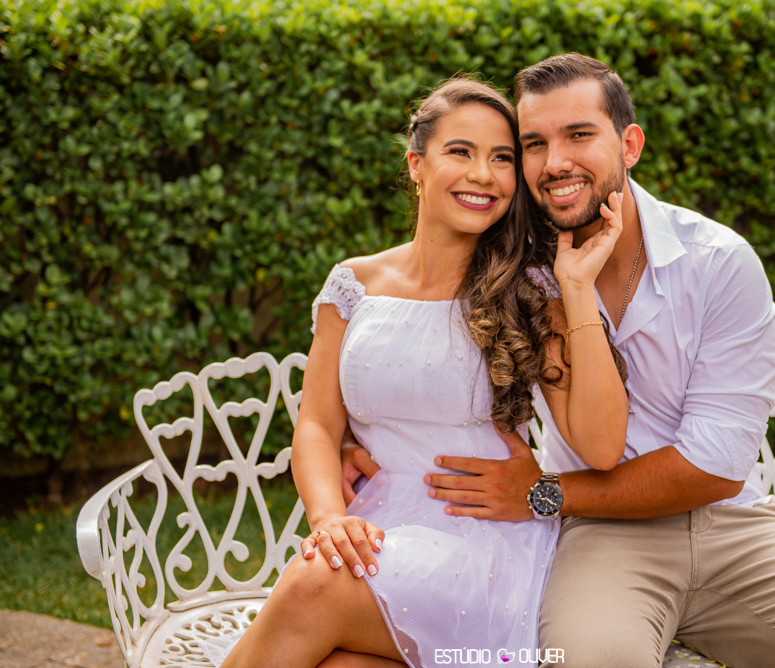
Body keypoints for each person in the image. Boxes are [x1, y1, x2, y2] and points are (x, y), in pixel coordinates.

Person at [343, 55, 775, 667]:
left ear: (629, 144)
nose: (555, 163)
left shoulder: (718, 263)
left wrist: (544, 493)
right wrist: (356, 441)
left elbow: (714, 468)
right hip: (602, 537)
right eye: (534, 144)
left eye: (579, 135)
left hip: (731, 525)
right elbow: (419, 357)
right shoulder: (519, 268)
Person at [214, 76, 630, 668]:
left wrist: (579, 288)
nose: (483, 174)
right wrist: (328, 517)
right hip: (377, 526)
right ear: (416, 164)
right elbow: (315, 427)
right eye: (460, 152)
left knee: (314, 583)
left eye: (503, 159)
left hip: (482, 544)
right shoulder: (352, 285)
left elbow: (602, 446)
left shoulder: (533, 292)